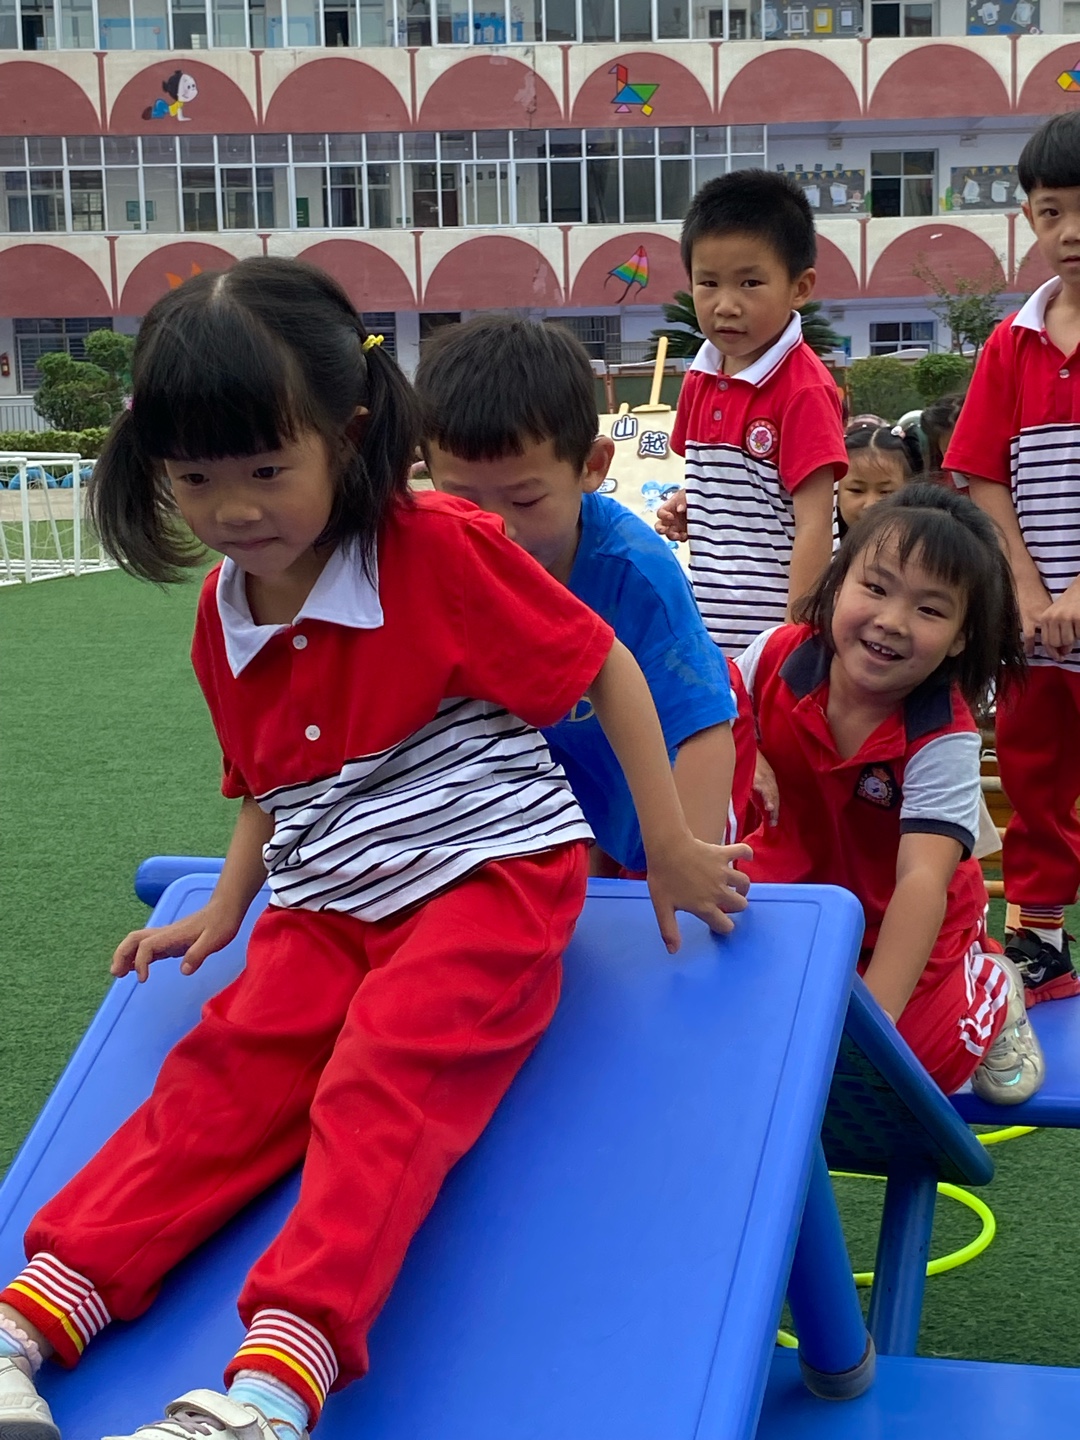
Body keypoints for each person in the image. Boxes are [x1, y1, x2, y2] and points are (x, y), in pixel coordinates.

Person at [0, 258, 752, 1440]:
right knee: (221, 1077)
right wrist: (227, 906)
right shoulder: (223, 613)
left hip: (488, 880)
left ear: (346, 437)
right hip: (328, 898)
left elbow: (603, 665)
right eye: (196, 478)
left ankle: (274, 1384)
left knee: (384, 1077)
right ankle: (33, 1316)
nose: (234, 510)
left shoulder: (433, 545)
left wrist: (669, 842)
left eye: (266, 470)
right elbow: (271, 784)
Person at [732, 485, 1042, 1102]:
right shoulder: (776, 656)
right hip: (797, 892)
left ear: (960, 637)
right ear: (837, 583)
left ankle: (989, 984)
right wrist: (748, 751)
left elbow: (921, 882)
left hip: (899, 913)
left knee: (907, 1066)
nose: (892, 621)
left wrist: (873, 1029)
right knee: (731, 1009)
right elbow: (709, 717)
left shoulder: (941, 736)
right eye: (875, 588)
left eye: (930, 610)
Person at [414, 314, 739, 875]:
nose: (494, 528)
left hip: (664, 789)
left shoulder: (635, 574)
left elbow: (704, 729)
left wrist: (685, 864)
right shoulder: (432, 552)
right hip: (551, 799)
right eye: (463, 499)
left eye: (524, 500)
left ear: (591, 467)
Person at [945, 110, 1080, 1004]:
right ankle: (1041, 942)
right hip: (1039, 635)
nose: (1069, 233)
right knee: (1034, 783)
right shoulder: (1012, 341)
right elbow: (983, 475)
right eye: (1050, 212)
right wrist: (1028, 591)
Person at [653, 169, 847, 658]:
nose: (726, 305)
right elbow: (723, 479)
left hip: (776, 640)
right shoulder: (700, 377)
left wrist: (795, 638)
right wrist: (692, 502)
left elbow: (815, 524)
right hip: (712, 632)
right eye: (708, 283)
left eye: (750, 283)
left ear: (800, 287)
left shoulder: (803, 388)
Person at [838, 421, 923, 537]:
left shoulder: (928, 545)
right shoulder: (820, 545)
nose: (870, 504)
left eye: (885, 492)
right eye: (856, 490)